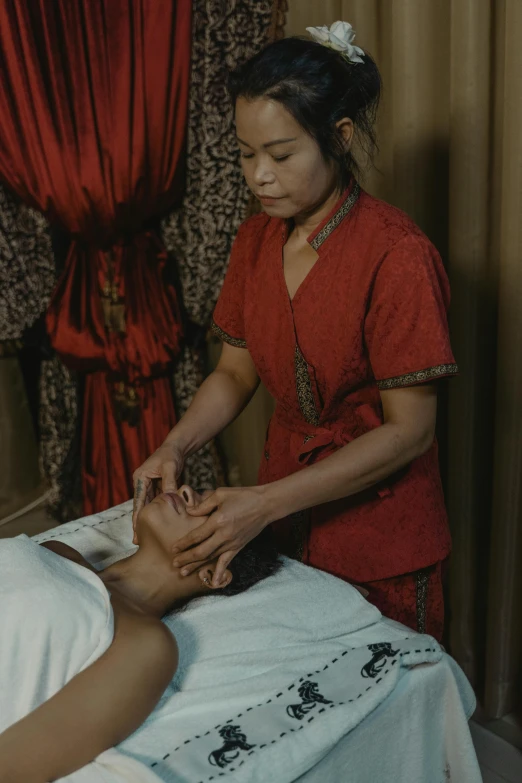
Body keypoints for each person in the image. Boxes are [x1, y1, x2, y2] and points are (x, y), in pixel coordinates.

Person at [133, 22, 457, 641]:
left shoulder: (397, 255)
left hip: (380, 533)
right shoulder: (256, 240)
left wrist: (266, 501)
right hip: (281, 518)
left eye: (281, 155)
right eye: (246, 153)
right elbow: (234, 372)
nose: (259, 176)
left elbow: (410, 432)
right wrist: (176, 445)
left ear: (337, 139)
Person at [0, 486, 280, 781]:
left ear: (214, 575)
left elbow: (15, 763)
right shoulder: (59, 551)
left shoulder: (145, 644)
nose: (185, 490)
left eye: (211, 511)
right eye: (198, 491)